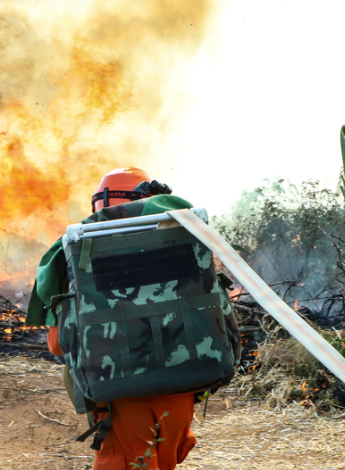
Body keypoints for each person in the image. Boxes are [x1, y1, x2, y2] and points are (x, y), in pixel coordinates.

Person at [26, 167, 240, 470]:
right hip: (183, 391)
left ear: (100, 204)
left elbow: (56, 345)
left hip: (123, 400)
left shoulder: (80, 248)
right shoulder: (183, 237)